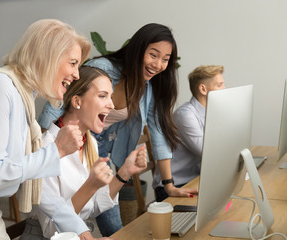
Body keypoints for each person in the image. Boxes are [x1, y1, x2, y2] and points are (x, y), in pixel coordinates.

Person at [37, 23, 198, 236]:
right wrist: (42, 151)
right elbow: (61, 99)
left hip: (96, 150)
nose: (158, 64)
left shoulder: (146, 87)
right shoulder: (102, 69)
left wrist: (168, 185)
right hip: (69, 143)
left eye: (165, 59)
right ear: (139, 49)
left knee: (113, 225)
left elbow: (158, 131)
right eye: (153, 55)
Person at [0, 19, 92, 239]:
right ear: (48, 56)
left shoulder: (23, 100)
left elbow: (32, 181)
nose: (77, 74)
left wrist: (79, 228)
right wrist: (56, 150)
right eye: (73, 63)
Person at [22, 66, 147, 239]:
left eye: (110, 96)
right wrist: (91, 185)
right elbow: (53, 229)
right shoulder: (46, 149)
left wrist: (124, 172)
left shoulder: (90, 143)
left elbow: (94, 205)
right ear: (77, 101)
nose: (111, 105)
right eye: (103, 96)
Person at [153, 65, 225, 202]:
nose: (224, 89)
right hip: (175, 187)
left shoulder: (212, 112)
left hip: (196, 180)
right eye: (219, 85)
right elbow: (209, 153)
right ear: (203, 89)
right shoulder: (185, 115)